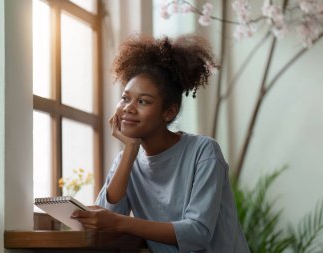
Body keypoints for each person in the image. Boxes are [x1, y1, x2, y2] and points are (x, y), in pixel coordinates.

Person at [71, 34, 250, 253]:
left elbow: (197, 234)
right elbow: (106, 219)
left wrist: (119, 222)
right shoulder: (128, 160)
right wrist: (129, 151)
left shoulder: (203, 151)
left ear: (168, 112)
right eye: (125, 98)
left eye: (143, 101)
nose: (128, 107)